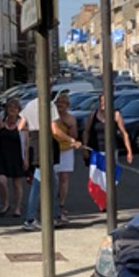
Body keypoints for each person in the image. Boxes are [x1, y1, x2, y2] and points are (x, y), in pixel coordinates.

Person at [22, 92, 83, 230]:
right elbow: (54, 130)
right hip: (46, 144)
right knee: (40, 183)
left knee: (52, 182)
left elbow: (21, 126)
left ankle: (55, 215)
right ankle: (31, 218)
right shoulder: (49, 105)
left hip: (35, 141)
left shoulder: (30, 104)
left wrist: (34, 127)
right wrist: (71, 140)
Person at [0, 97, 28, 218]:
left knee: (17, 184)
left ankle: (17, 207)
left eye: (15, 108)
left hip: (17, 156)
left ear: (19, 110)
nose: (12, 110)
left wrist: (26, 158)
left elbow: (26, 143)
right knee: (1, 181)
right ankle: (6, 203)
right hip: (2, 155)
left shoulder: (22, 122)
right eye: (10, 107)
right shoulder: (1, 120)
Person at [52, 91, 82, 225]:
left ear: (67, 105)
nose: (60, 107)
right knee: (53, 178)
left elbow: (74, 135)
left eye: (62, 104)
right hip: (54, 149)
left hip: (66, 150)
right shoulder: (52, 117)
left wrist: (69, 125)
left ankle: (61, 202)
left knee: (64, 178)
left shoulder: (71, 118)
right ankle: (52, 201)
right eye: (58, 104)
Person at [83, 92, 133, 163]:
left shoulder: (116, 115)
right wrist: (85, 148)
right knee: (96, 169)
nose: (102, 103)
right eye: (101, 101)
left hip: (111, 151)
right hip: (95, 150)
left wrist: (129, 151)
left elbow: (124, 133)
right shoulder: (93, 115)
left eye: (105, 101)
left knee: (110, 169)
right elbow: (86, 132)